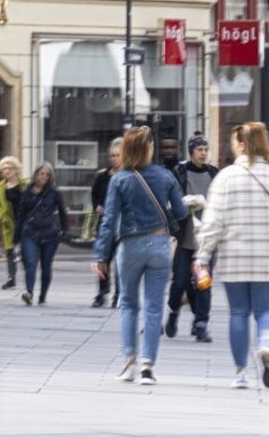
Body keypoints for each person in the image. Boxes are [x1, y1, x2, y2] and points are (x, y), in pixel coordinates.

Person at [196, 123, 269, 389]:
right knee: (268, 310)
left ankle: (240, 373)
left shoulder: (225, 177)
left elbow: (212, 221)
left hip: (234, 257)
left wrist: (202, 256)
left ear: (241, 144)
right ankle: (267, 347)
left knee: (238, 312)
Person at [93, 125, 186, 386]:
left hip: (130, 246)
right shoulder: (165, 176)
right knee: (154, 306)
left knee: (128, 304)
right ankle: (147, 366)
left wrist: (100, 255)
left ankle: (129, 361)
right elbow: (181, 213)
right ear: (149, 148)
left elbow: (108, 221)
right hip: (159, 244)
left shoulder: (119, 179)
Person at [167, 135, 217, 342]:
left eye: (206, 149)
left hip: (205, 242)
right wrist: (185, 204)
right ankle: (173, 313)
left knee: (203, 283)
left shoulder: (214, 173)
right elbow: (171, 200)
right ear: (191, 152)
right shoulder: (180, 172)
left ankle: (201, 324)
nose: (203, 153)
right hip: (185, 239)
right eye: (199, 150)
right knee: (180, 281)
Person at [16, 162, 67, 306]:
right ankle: (29, 293)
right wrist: (16, 235)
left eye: (47, 174)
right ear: (35, 174)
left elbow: (62, 212)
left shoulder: (54, 192)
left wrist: (63, 230)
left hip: (49, 234)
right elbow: (20, 214)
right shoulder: (26, 192)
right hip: (30, 232)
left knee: (46, 266)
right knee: (31, 263)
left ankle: (43, 296)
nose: (44, 177)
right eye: (41, 173)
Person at [91, 138, 122, 308]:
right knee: (102, 258)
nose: (114, 159)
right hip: (105, 224)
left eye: (117, 155)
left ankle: (119, 294)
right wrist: (97, 206)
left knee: (121, 263)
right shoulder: (103, 177)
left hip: (123, 226)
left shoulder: (129, 176)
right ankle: (102, 292)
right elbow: (95, 194)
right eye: (111, 155)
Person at [0, 157, 27, 290]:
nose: (6, 171)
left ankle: (29, 277)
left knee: (25, 250)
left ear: (16, 169)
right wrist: (1, 217)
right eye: (4, 169)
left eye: (9, 168)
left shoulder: (25, 185)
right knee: (10, 251)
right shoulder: (0, 187)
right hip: (8, 223)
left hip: (24, 222)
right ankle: (11, 279)